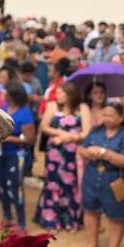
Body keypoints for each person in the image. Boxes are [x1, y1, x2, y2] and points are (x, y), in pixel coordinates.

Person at [79, 102, 124, 247]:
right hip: (92, 178)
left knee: (116, 217)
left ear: (120, 118)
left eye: (110, 115)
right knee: (90, 212)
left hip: (115, 180)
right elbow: (82, 149)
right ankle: (91, 244)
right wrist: (88, 153)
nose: (105, 118)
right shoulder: (95, 131)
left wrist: (104, 153)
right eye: (104, 114)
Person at [36, 82, 92, 231]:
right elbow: (44, 126)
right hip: (54, 152)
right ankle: (51, 219)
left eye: (61, 93)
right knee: (53, 182)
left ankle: (72, 220)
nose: (57, 96)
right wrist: (60, 134)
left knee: (71, 184)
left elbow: (86, 132)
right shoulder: (52, 106)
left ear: (70, 95)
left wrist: (68, 138)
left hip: (74, 153)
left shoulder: (83, 108)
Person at [0, 82, 35, 232]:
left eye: (6, 93)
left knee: (15, 188)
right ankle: (7, 217)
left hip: (17, 156)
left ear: (13, 96)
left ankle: (21, 223)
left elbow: (30, 139)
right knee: (3, 187)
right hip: (2, 154)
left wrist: (7, 139)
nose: (3, 95)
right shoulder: (5, 108)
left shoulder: (25, 114)